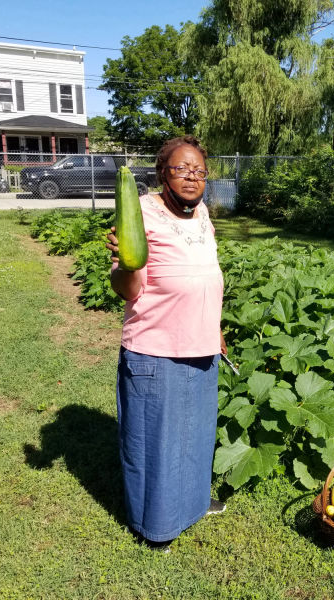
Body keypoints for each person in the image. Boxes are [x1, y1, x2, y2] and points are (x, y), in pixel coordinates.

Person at [106, 135, 227, 552]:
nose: (192, 177)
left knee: (195, 435)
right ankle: (155, 526)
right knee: (154, 441)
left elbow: (206, 273)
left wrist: (216, 329)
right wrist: (125, 261)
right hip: (156, 345)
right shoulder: (139, 213)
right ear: (162, 174)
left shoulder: (203, 213)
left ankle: (192, 505)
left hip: (201, 343)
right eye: (181, 169)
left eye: (199, 171)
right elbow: (126, 289)